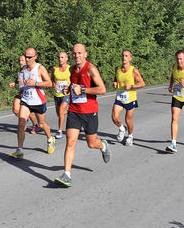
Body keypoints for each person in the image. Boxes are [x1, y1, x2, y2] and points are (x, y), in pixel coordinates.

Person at [54, 44, 111, 187]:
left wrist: (84, 89)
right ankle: (67, 175)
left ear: (85, 54)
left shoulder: (91, 69)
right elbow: (75, 85)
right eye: (74, 53)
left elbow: (102, 89)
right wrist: (69, 88)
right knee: (70, 142)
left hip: (89, 111)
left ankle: (103, 145)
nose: (76, 56)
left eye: (79, 53)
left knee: (91, 143)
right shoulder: (72, 69)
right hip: (74, 110)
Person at [10, 47, 56, 158]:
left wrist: (35, 83)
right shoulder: (24, 69)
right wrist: (21, 88)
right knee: (21, 123)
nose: (27, 59)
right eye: (26, 56)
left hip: (38, 101)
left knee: (41, 124)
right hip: (26, 100)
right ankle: (19, 150)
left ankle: (50, 139)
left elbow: (49, 83)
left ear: (35, 56)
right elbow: (24, 83)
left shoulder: (40, 68)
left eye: (29, 57)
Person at [111, 50, 145, 146]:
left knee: (128, 119)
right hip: (119, 97)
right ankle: (122, 129)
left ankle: (130, 136)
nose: (124, 57)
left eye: (126, 56)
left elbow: (142, 83)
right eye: (123, 56)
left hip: (130, 99)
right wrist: (115, 83)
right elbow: (116, 79)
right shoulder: (117, 69)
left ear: (130, 58)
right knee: (114, 117)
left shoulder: (133, 70)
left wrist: (132, 86)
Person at [9, 55, 38, 132]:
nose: (20, 62)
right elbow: (18, 78)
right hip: (20, 93)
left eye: (22, 61)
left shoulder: (30, 70)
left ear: (26, 61)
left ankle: (35, 125)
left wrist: (23, 83)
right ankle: (24, 120)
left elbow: (32, 82)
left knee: (30, 113)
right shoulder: (20, 69)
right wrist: (14, 83)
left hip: (28, 94)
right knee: (15, 110)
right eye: (19, 61)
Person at [51, 52, 71, 139]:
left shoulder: (70, 69)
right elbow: (51, 79)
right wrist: (53, 84)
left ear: (66, 59)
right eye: (59, 57)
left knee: (61, 111)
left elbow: (74, 80)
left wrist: (68, 86)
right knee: (59, 114)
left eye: (62, 57)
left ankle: (59, 131)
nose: (60, 59)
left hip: (66, 94)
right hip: (57, 94)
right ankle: (73, 112)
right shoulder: (54, 68)